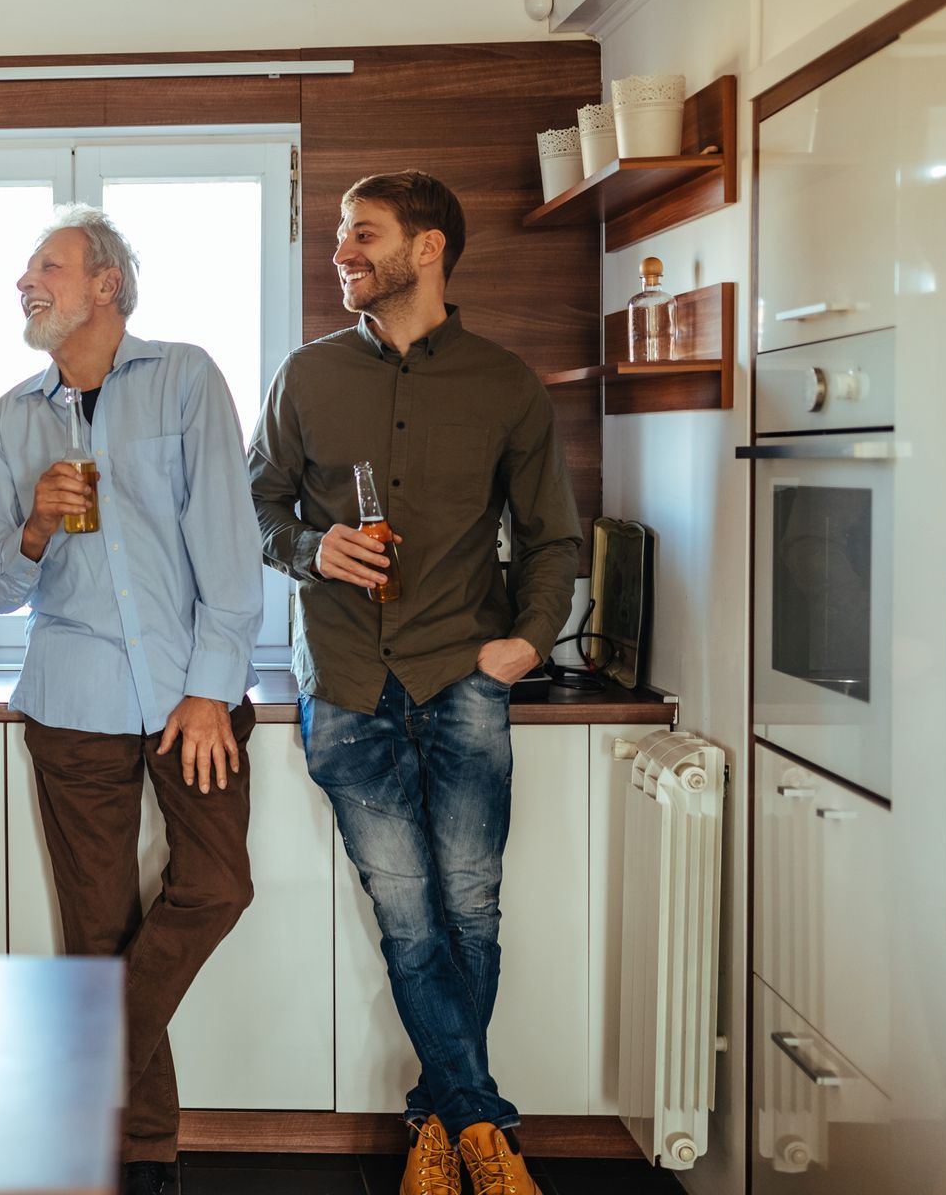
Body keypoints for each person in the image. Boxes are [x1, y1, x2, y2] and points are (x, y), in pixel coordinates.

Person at [249, 170, 580, 1195]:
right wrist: (312, 548)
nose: (341, 251)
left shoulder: (505, 382)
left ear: (427, 247)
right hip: (346, 683)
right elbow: (253, 511)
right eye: (340, 234)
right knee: (409, 915)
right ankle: (484, 1126)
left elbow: (553, 536)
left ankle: (441, 1123)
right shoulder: (306, 375)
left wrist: (527, 640)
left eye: (363, 234)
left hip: (463, 675)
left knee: (471, 911)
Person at [0, 205, 262, 1195]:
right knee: (96, 933)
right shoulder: (11, 419)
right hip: (72, 696)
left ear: (107, 284)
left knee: (218, 884)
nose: (26, 283)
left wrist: (213, 691)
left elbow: (230, 549)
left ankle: (77, 1082)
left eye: (45, 266)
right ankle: (141, 1156)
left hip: (192, 693)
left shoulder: (184, 378)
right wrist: (39, 526)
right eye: (25, 271)